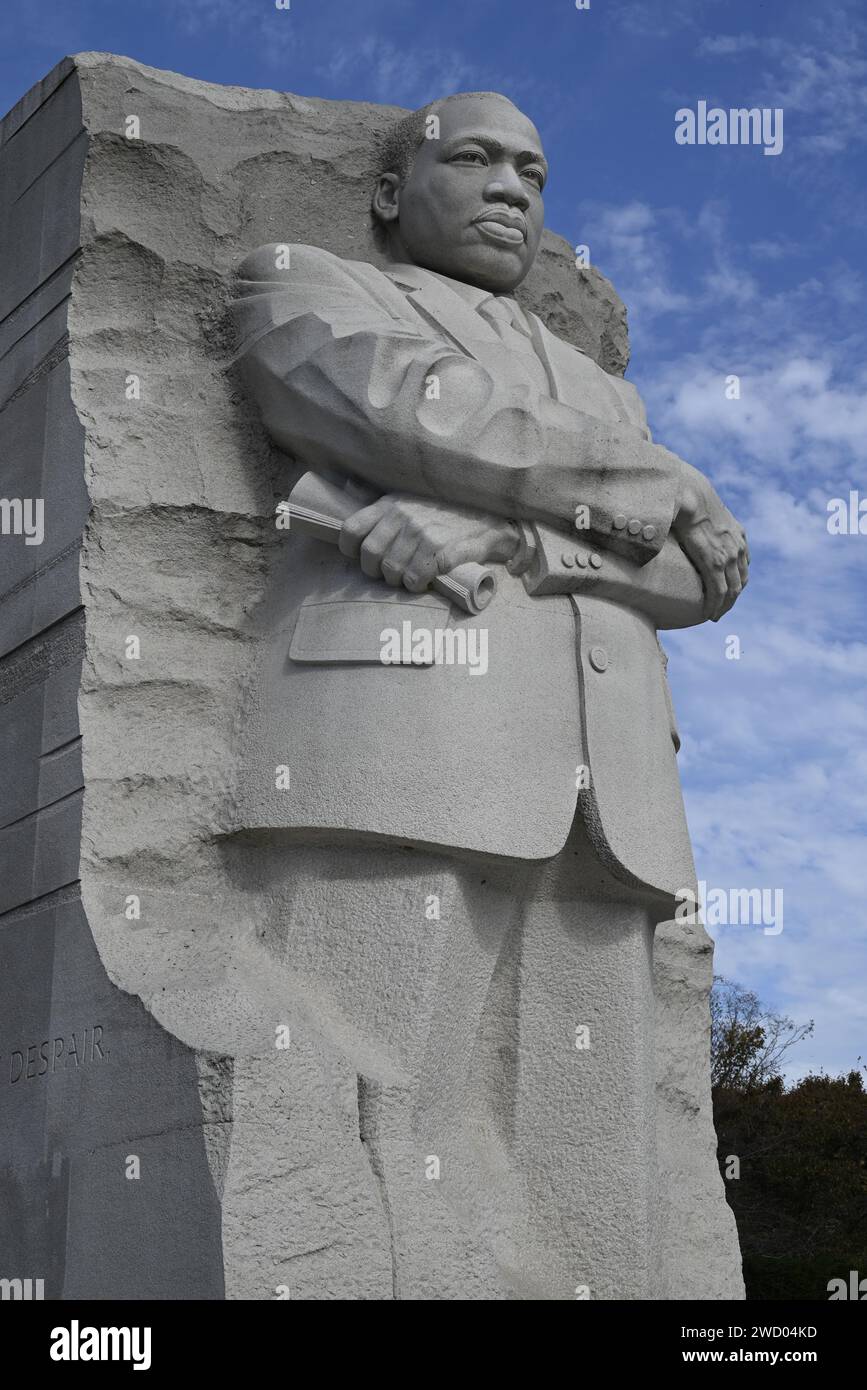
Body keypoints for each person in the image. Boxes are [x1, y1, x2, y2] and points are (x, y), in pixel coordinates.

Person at [228, 91, 749, 1299]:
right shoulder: (305, 281)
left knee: (602, 1170)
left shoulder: (600, 391)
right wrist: (655, 477)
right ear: (392, 191)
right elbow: (395, 408)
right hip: (405, 742)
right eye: (474, 159)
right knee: (357, 1106)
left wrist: (517, 539)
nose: (512, 187)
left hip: (608, 790)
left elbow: (693, 572)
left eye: (533, 170)